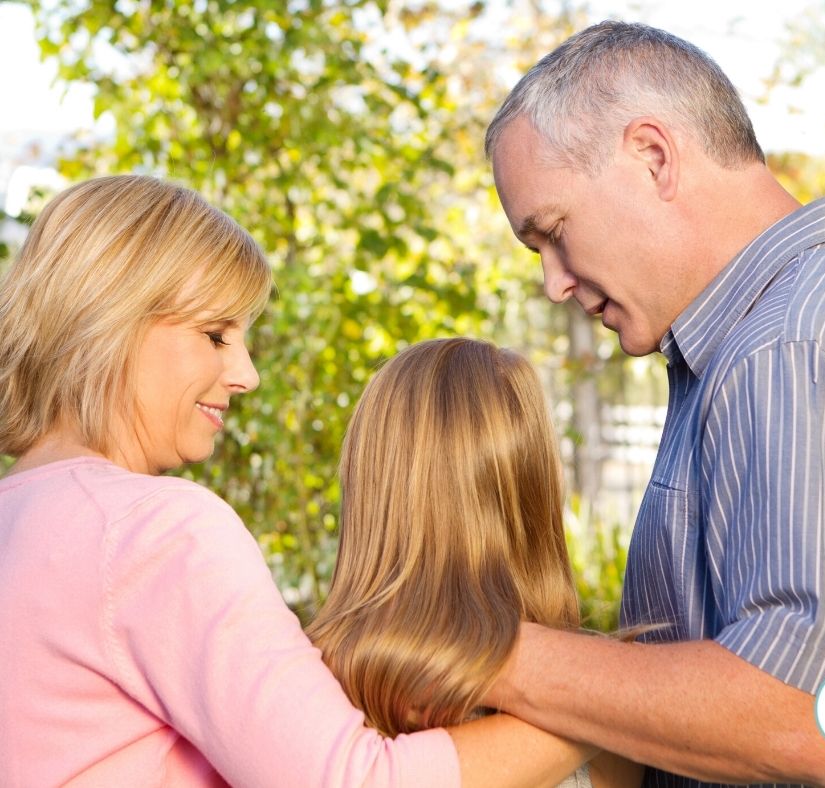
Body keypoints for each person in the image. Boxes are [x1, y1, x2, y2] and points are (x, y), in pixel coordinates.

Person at [0, 174, 594, 787]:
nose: (246, 374)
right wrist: (607, 711)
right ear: (110, 320)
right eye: (215, 335)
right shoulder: (153, 531)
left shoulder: (21, 517)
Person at [483, 20, 825, 788]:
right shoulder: (774, 337)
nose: (554, 282)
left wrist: (487, 655)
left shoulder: (799, 350)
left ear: (653, 157)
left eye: (554, 232)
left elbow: (813, 718)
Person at [306, 337, 644, 788]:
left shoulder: (303, 695)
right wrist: (608, 706)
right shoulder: (613, 723)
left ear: (371, 489)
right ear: (535, 491)